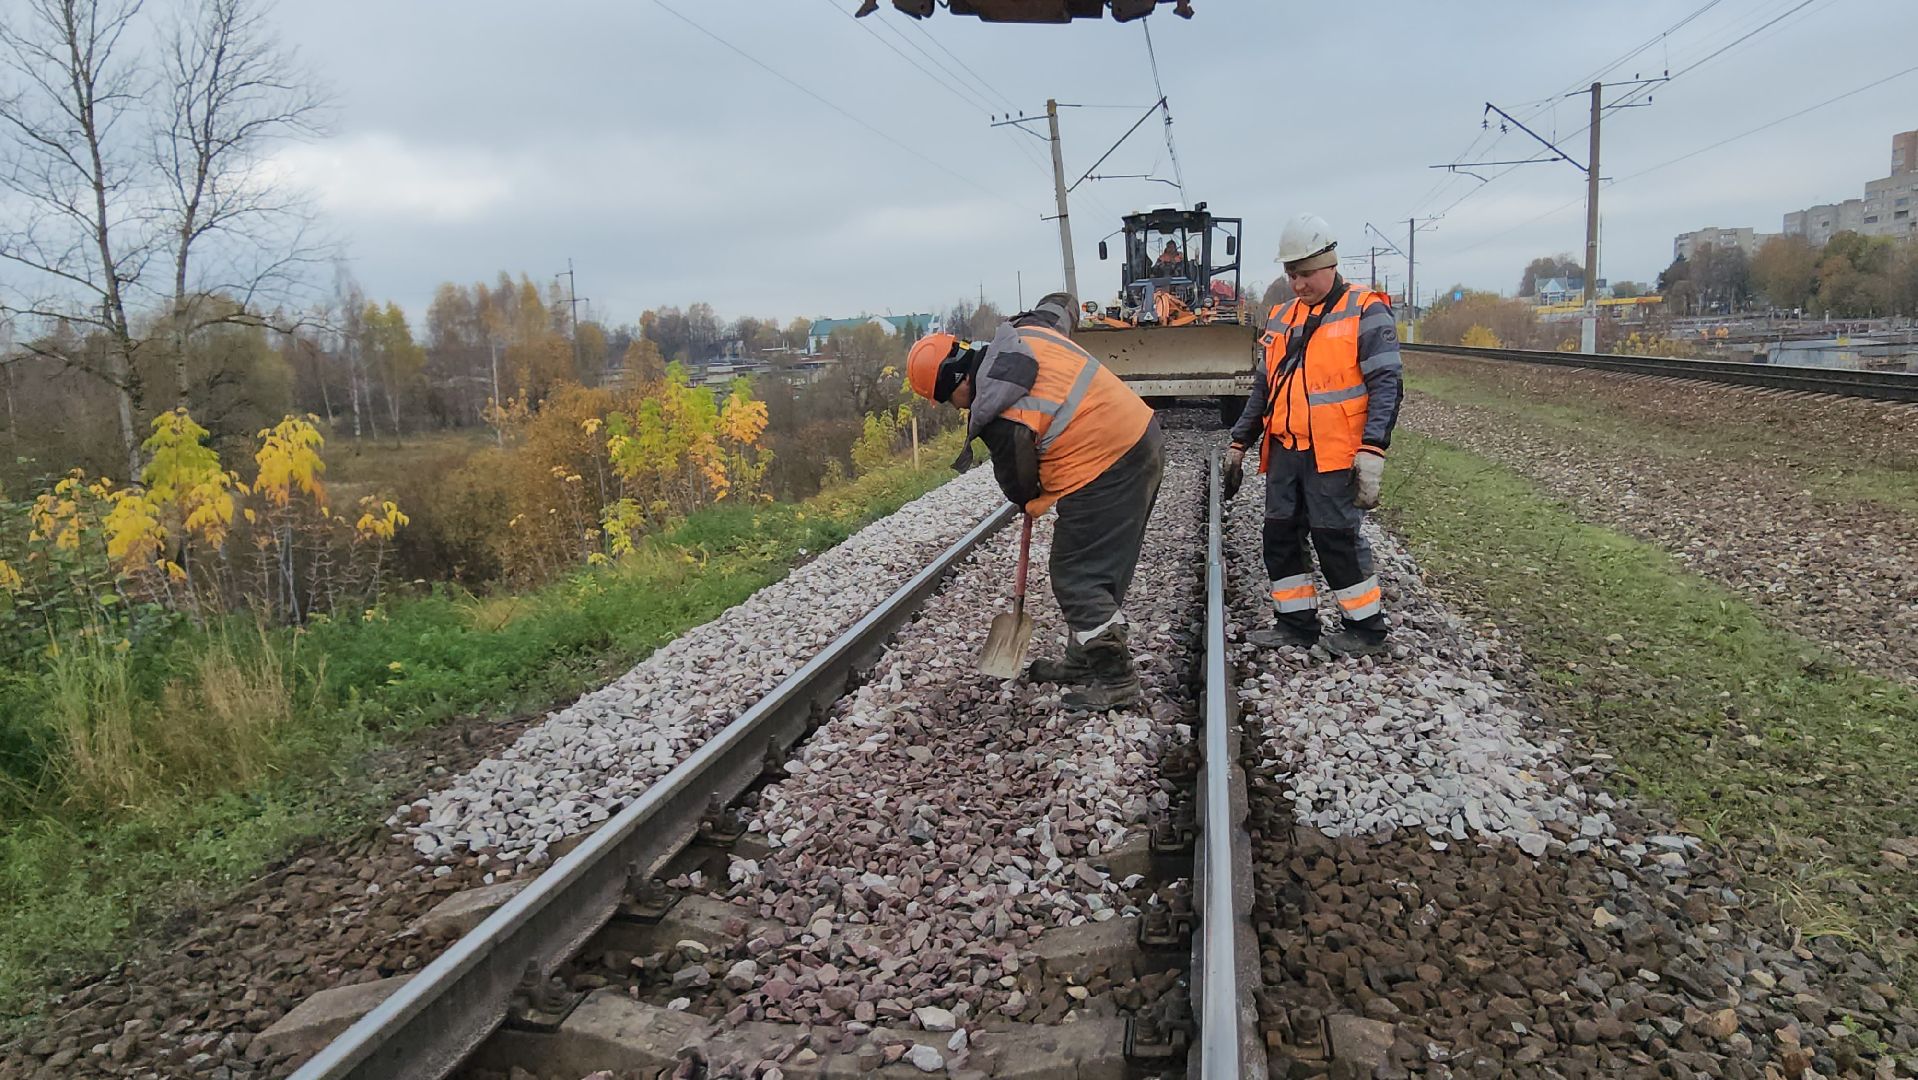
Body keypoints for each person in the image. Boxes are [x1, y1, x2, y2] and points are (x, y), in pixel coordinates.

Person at [906, 293, 1164, 710]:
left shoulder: (999, 412)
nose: (954, 408)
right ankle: (1083, 658)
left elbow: (1020, 485)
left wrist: (1031, 499)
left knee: (1076, 573)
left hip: (1106, 463)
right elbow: (1062, 305)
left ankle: (1117, 679)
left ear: (957, 383)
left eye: (946, 400)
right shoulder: (1026, 333)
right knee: (1098, 564)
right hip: (1139, 434)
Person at [1224, 213, 1402, 657]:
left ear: (1329, 263)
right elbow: (1264, 389)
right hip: (1286, 449)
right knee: (1279, 536)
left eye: (1304, 274)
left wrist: (1373, 448)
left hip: (1335, 452)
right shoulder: (1282, 316)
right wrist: (1237, 443)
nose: (1297, 283)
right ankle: (1296, 624)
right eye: (1291, 274)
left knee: (1335, 537)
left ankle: (1366, 629)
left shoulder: (1365, 309)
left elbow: (1387, 385)